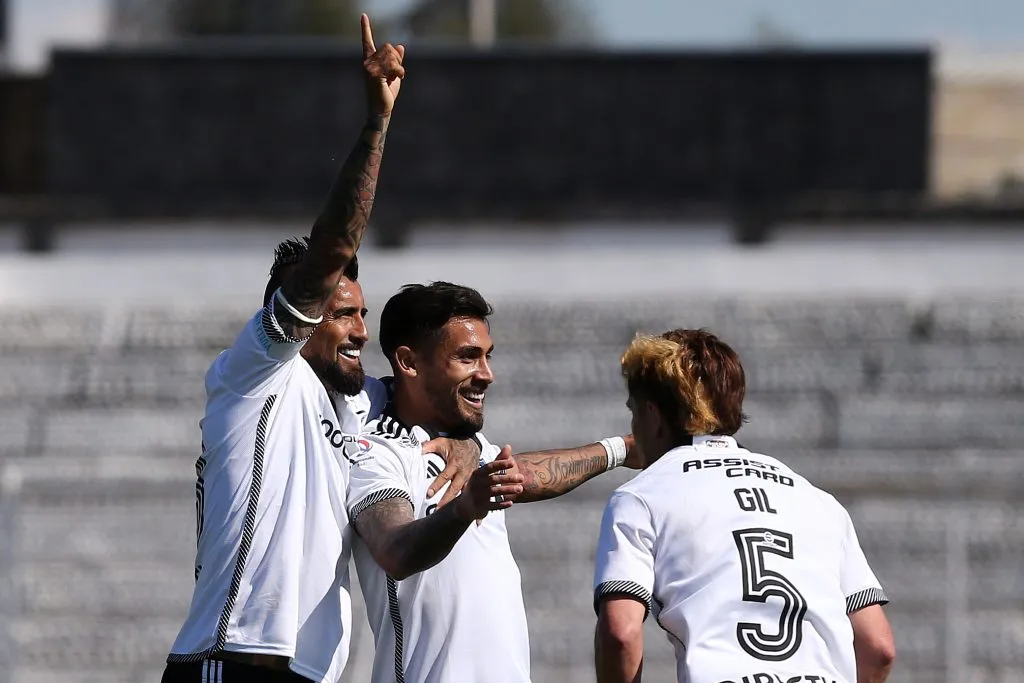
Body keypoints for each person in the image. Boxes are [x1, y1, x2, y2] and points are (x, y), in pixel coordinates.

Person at [162, 18, 487, 683]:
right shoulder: (259, 371)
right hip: (233, 661)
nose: (361, 330)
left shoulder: (357, 401)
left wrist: (467, 443)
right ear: (301, 316)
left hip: (307, 672)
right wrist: (378, 125)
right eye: (343, 314)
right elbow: (332, 247)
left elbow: (436, 397)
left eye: (364, 314)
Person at [346, 281, 641, 683]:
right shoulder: (376, 450)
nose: (487, 374)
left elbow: (527, 474)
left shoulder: (465, 444)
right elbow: (395, 551)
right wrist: (465, 508)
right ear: (409, 362)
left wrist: (623, 449)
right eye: (468, 357)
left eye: (488, 356)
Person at [592, 329, 896, 683]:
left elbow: (621, 633)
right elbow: (878, 647)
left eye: (634, 412)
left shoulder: (640, 496)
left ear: (653, 415)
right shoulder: (817, 499)